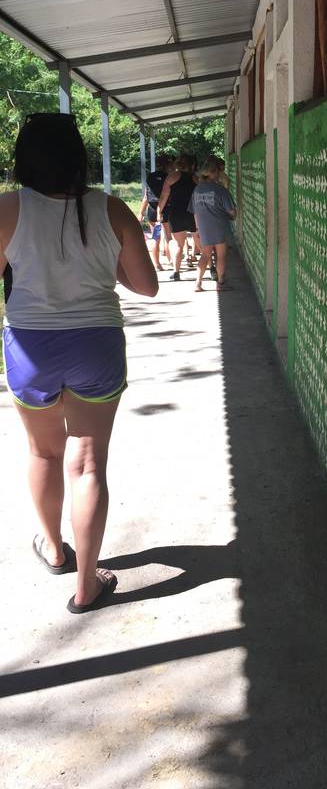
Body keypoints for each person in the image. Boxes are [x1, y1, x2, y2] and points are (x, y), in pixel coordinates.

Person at [0, 113, 158, 613]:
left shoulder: (7, 208)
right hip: (97, 344)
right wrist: (103, 265)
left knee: (43, 453)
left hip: (29, 346)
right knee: (89, 461)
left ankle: (53, 549)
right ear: (78, 157)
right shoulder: (111, 210)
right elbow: (146, 285)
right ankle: (87, 585)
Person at [189, 157, 236, 292]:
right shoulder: (220, 189)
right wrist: (234, 215)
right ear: (214, 173)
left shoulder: (197, 190)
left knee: (205, 254)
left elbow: (194, 212)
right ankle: (220, 283)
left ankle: (198, 283)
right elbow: (231, 211)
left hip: (204, 226)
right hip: (219, 225)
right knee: (221, 255)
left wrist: (198, 228)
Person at [156, 154, 198, 281]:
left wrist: (159, 211)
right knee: (201, 243)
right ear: (192, 165)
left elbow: (164, 196)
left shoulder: (171, 177)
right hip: (193, 213)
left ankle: (176, 272)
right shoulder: (196, 178)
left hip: (176, 213)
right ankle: (212, 268)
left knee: (179, 245)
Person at [139, 152, 173, 269]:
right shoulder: (169, 177)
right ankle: (171, 261)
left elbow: (146, 196)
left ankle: (157, 264)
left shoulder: (151, 177)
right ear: (168, 165)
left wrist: (141, 213)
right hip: (166, 209)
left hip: (152, 210)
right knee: (168, 237)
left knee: (156, 236)